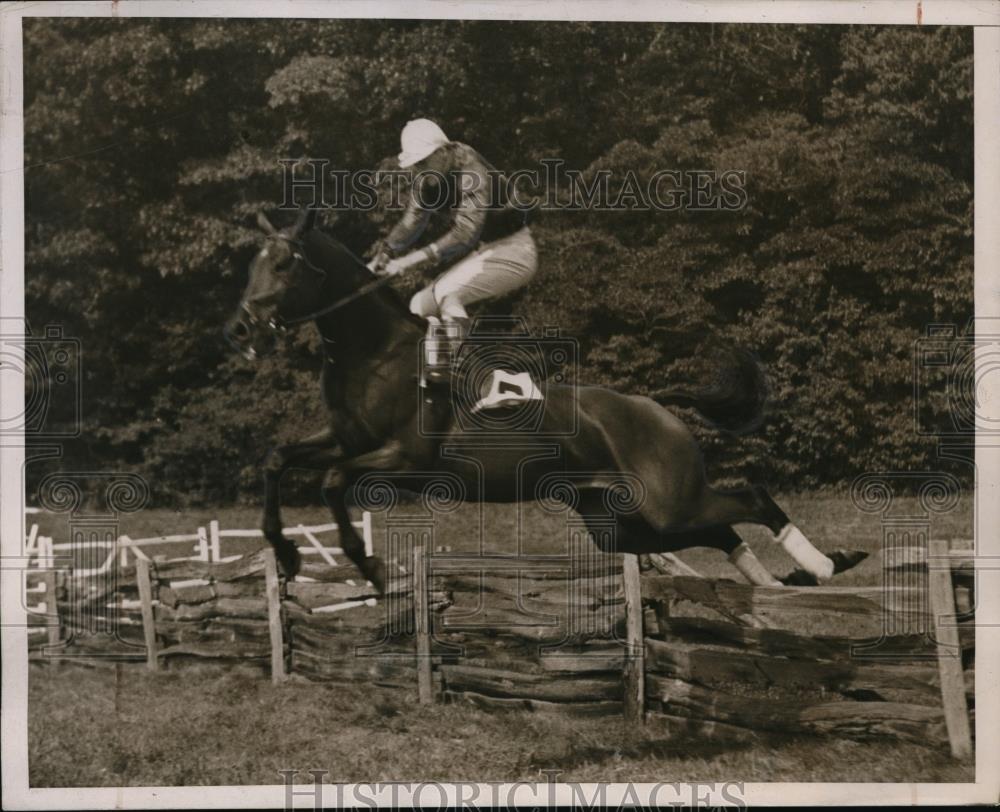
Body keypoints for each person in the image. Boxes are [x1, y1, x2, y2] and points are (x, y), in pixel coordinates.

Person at [368, 119, 537, 383]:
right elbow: (412, 221)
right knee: (419, 305)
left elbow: (465, 233)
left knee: (449, 296)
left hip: (516, 250)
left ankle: (478, 379)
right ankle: (437, 376)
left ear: (444, 152)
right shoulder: (427, 177)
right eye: (415, 165)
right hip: (485, 253)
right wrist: (385, 252)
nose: (419, 171)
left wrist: (410, 260)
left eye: (423, 163)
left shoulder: (472, 171)